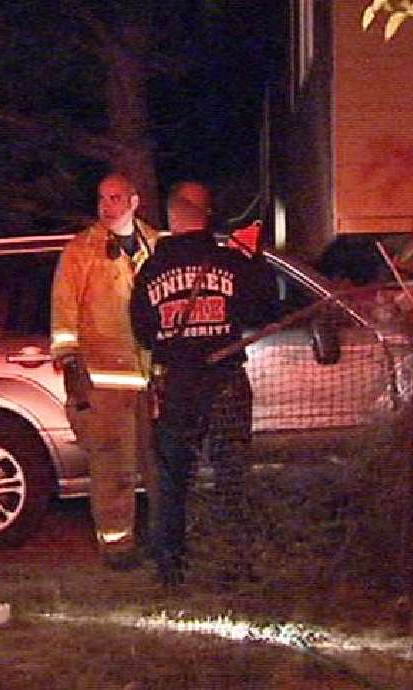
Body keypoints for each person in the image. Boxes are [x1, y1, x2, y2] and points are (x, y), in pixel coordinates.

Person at [130, 181, 278, 587]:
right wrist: (254, 259)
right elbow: (265, 307)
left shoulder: (151, 270)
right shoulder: (230, 262)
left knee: (174, 477)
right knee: (231, 473)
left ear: (173, 219)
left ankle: (171, 567)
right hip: (224, 380)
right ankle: (237, 561)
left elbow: (143, 333)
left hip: (177, 385)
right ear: (205, 214)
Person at [51, 172, 160, 569]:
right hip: (103, 383)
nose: (107, 205)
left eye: (116, 198)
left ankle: (163, 539)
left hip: (152, 381)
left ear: (134, 201)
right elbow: (63, 314)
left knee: (156, 465)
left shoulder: (158, 245)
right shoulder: (81, 251)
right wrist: (70, 364)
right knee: (112, 467)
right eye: (102, 198)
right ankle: (117, 546)